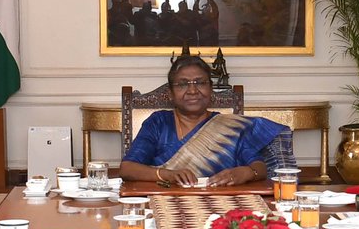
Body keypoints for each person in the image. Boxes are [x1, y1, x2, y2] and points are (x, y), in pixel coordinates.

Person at [119, 55, 295, 187]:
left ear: (210, 90)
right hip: (166, 202)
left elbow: (259, 166)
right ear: (170, 94)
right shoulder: (159, 123)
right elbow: (127, 168)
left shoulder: (230, 128)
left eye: (200, 83)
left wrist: (246, 172)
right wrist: (168, 174)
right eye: (182, 84)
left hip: (222, 206)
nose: (193, 90)